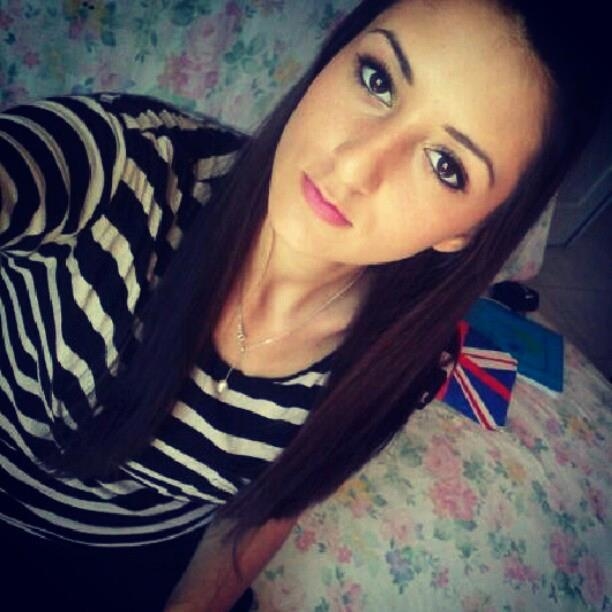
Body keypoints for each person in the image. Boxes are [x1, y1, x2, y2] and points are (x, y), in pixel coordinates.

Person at [0, 0, 607, 610]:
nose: (355, 164)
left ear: (467, 231)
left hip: (133, 564)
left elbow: (272, 508)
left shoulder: (393, 365)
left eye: (446, 165)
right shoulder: (122, 165)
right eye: (377, 79)